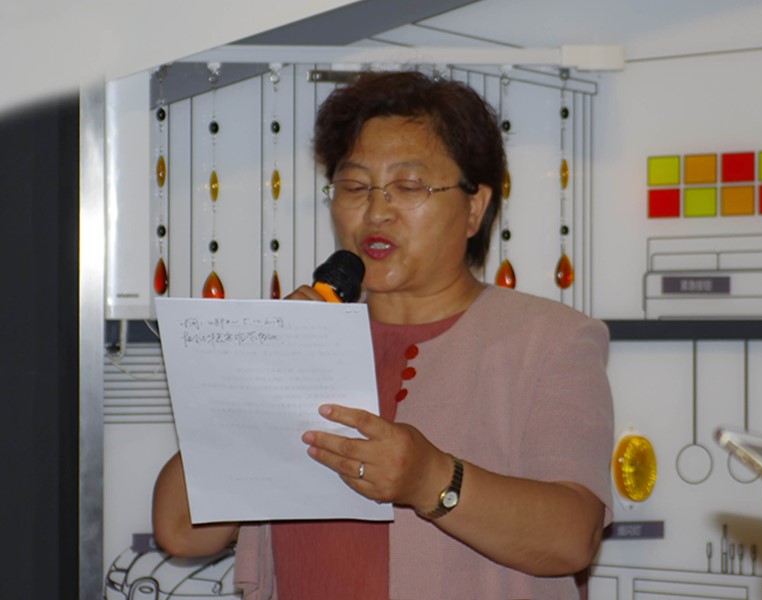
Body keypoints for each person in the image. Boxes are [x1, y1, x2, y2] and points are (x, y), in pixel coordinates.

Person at [152, 70, 614, 600]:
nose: (375, 211)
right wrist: (263, 372)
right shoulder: (304, 338)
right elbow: (181, 529)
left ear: (475, 207)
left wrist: (430, 480)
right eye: (354, 187)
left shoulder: (551, 340)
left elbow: (573, 537)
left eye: (409, 187)